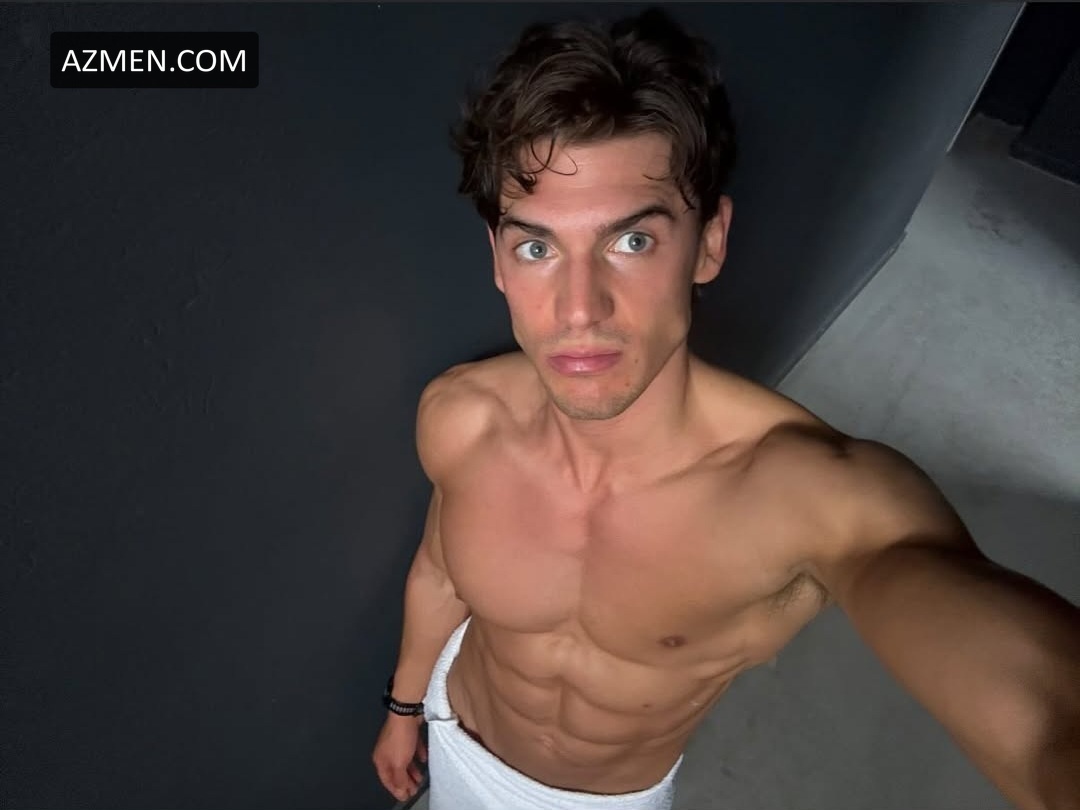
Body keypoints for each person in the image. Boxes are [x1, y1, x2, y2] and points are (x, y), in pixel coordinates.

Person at [372, 8, 1080, 809]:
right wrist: (404, 710)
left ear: (709, 242)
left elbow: (1047, 719)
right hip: (454, 731)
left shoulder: (809, 498)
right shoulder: (462, 418)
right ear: (499, 261)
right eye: (537, 247)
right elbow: (440, 571)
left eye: (632, 242)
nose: (578, 308)